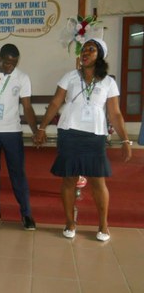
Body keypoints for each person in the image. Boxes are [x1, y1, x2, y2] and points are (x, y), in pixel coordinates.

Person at [34, 38, 132, 241]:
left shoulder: (108, 82)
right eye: (84, 49)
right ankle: (70, 222)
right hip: (69, 134)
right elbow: (55, 103)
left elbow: (115, 114)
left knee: (98, 181)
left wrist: (125, 140)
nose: (85, 52)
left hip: (94, 136)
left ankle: (103, 224)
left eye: (91, 49)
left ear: (100, 56)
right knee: (69, 179)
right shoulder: (69, 76)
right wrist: (42, 127)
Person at [0, 43, 38, 230]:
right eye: (8, 63)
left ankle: (26, 214)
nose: (11, 67)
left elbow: (27, 107)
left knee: (17, 174)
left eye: (14, 63)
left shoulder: (22, 78)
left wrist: (36, 131)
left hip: (12, 131)